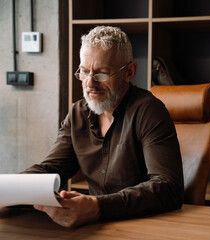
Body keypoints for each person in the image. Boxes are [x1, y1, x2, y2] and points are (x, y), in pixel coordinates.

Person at [21, 26, 184, 227]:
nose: (90, 83)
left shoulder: (149, 111)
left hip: (145, 225)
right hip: (96, 226)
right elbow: (51, 168)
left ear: (129, 72)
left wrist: (97, 206)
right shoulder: (78, 113)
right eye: (84, 71)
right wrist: (10, 190)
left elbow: (168, 188)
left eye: (102, 74)